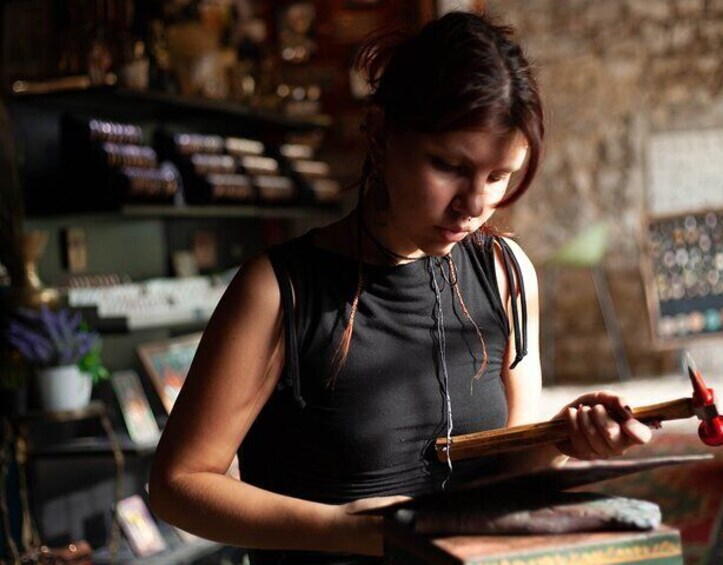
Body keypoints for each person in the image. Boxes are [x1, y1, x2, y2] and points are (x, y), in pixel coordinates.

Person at [148, 11, 652, 564]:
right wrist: (345, 528)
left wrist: (561, 441)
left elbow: (508, 475)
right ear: (381, 134)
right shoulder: (278, 293)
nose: (474, 205)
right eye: (448, 166)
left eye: (498, 177)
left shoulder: (506, 272)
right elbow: (178, 485)